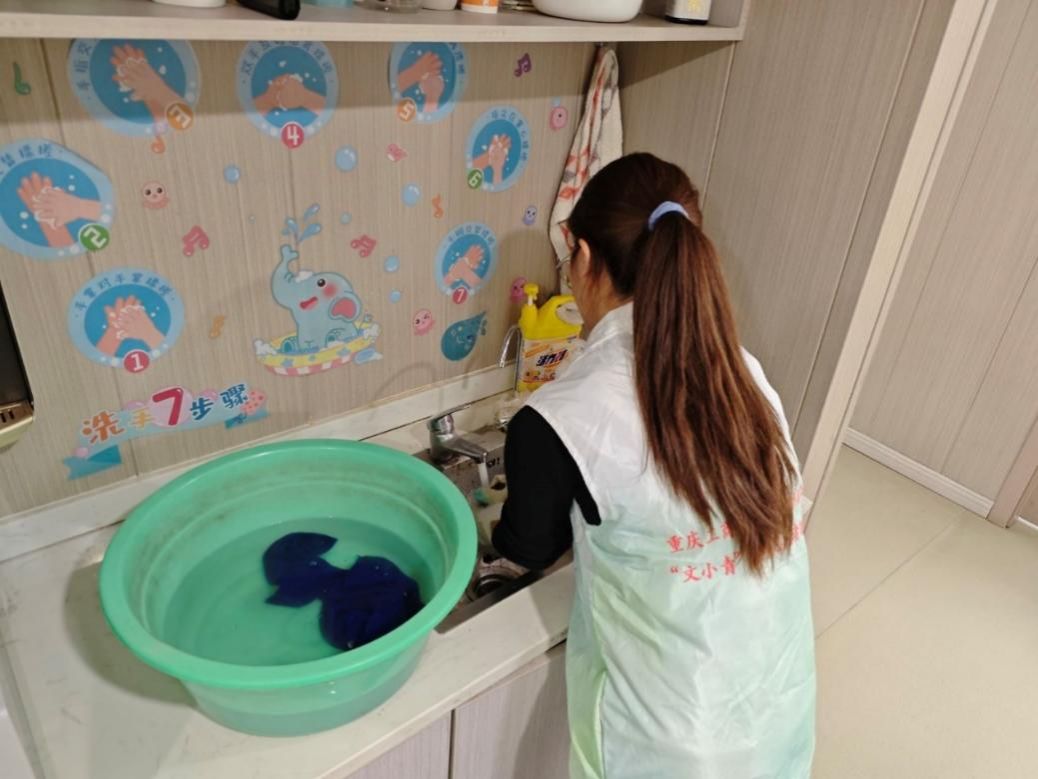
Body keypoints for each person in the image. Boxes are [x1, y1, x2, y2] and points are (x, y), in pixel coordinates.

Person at [491, 153, 816, 778]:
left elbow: (526, 546)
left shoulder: (561, 418)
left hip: (665, 746)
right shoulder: (745, 374)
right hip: (778, 717)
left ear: (583, 256)